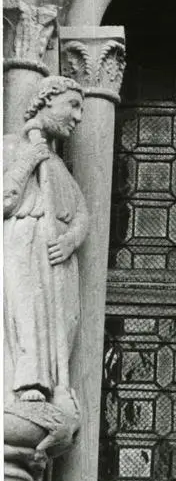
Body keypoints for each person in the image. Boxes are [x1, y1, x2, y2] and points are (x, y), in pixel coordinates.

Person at [4, 76, 88, 409]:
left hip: (58, 256)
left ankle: (54, 385)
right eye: (73, 105)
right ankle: (28, 384)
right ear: (47, 100)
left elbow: (82, 214)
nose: (79, 117)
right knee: (28, 313)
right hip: (24, 246)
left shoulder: (58, 166)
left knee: (64, 324)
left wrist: (70, 241)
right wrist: (27, 160)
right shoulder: (11, 147)